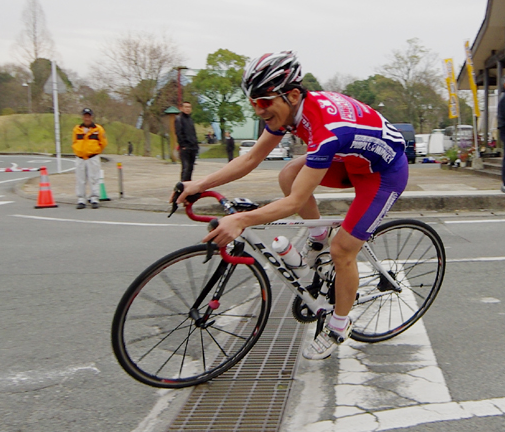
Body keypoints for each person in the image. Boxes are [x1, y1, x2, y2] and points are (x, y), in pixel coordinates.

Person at [172, 51, 408, 361]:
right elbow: (251, 158)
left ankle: (339, 325)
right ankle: (319, 238)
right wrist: (200, 184)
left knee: (343, 251)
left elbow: (295, 202)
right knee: (287, 174)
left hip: (383, 174)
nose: (259, 111)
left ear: (292, 94)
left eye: (263, 102)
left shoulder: (324, 130)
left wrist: (241, 220)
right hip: (350, 160)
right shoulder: (290, 109)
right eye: (254, 103)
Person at [72, 108, 107, 209]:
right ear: (83, 117)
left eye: (88, 116)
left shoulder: (98, 129)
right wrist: (77, 150)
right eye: (85, 116)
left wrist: (96, 151)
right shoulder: (77, 129)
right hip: (80, 158)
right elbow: (74, 141)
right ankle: (81, 199)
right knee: (80, 179)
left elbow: (103, 142)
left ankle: (94, 198)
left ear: (92, 117)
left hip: (93, 157)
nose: (87, 118)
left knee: (94, 178)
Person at [175, 101, 198, 182]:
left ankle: (189, 185)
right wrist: (183, 145)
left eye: (189, 107)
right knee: (186, 168)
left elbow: (193, 133)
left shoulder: (190, 119)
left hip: (193, 147)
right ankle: (183, 186)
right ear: (181, 108)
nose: (188, 109)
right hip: (185, 147)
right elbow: (179, 133)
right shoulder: (179, 119)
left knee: (191, 168)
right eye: (186, 107)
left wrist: (196, 145)